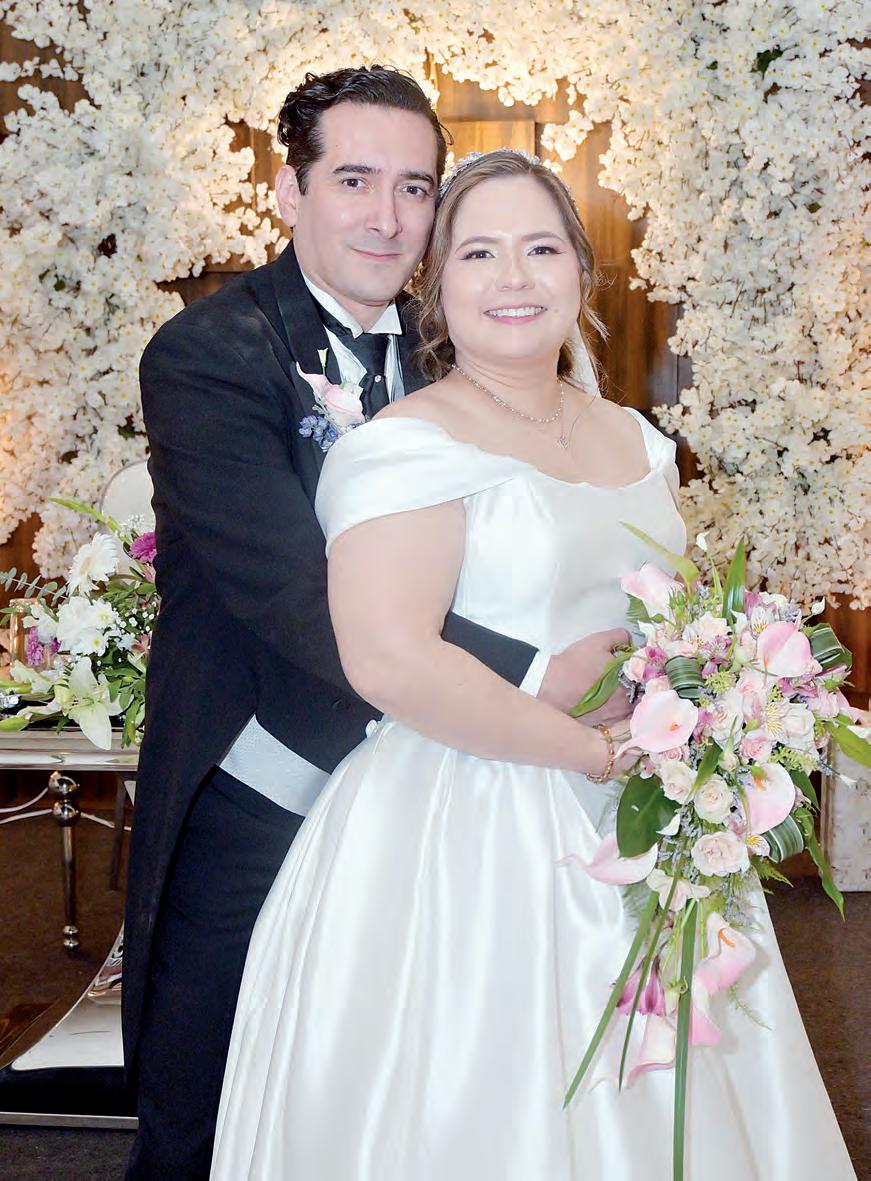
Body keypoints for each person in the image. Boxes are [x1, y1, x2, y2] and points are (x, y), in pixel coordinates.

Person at [209, 151, 857, 1179]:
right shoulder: (405, 446)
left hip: (642, 814)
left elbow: (667, 621)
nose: (512, 278)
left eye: (540, 249)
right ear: (436, 284)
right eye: (478, 253)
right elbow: (387, 659)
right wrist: (594, 756)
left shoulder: (636, 440)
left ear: (581, 273)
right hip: (463, 827)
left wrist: (709, 704)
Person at [124, 69, 632, 1180]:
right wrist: (539, 672)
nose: (388, 217)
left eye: (414, 188)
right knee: (207, 1107)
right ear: (288, 190)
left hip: (458, 789)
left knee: (428, 1097)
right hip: (273, 784)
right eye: (354, 180)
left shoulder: (461, 334)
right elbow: (297, 591)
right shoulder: (211, 354)